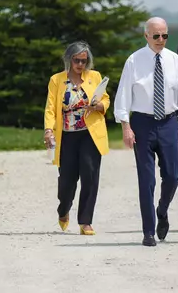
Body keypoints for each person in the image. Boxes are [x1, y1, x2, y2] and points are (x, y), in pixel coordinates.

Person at [113, 16, 178, 247]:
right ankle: (148, 231)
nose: (160, 40)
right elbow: (124, 96)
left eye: (164, 35)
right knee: (146, 180)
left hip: (169, 123)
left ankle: (162, 209)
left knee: (172, 175)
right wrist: (125, 126)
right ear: (146, 36)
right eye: (156, 36)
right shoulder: (134, 61)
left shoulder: (174, 60)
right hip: (142, 124)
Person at [43, 41, 110, 236]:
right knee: (67, 181)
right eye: (77, 60)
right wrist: (48, 130)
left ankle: (85, 221)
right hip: (67, 136)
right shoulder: (57, 80)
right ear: (69, 59)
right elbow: (50, 108)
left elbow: (105, 98)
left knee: (90, 177)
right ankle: (63, 209)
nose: (80, 64)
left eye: (84, 60)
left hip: (90, 134)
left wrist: (100, 106)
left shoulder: (94, 76)